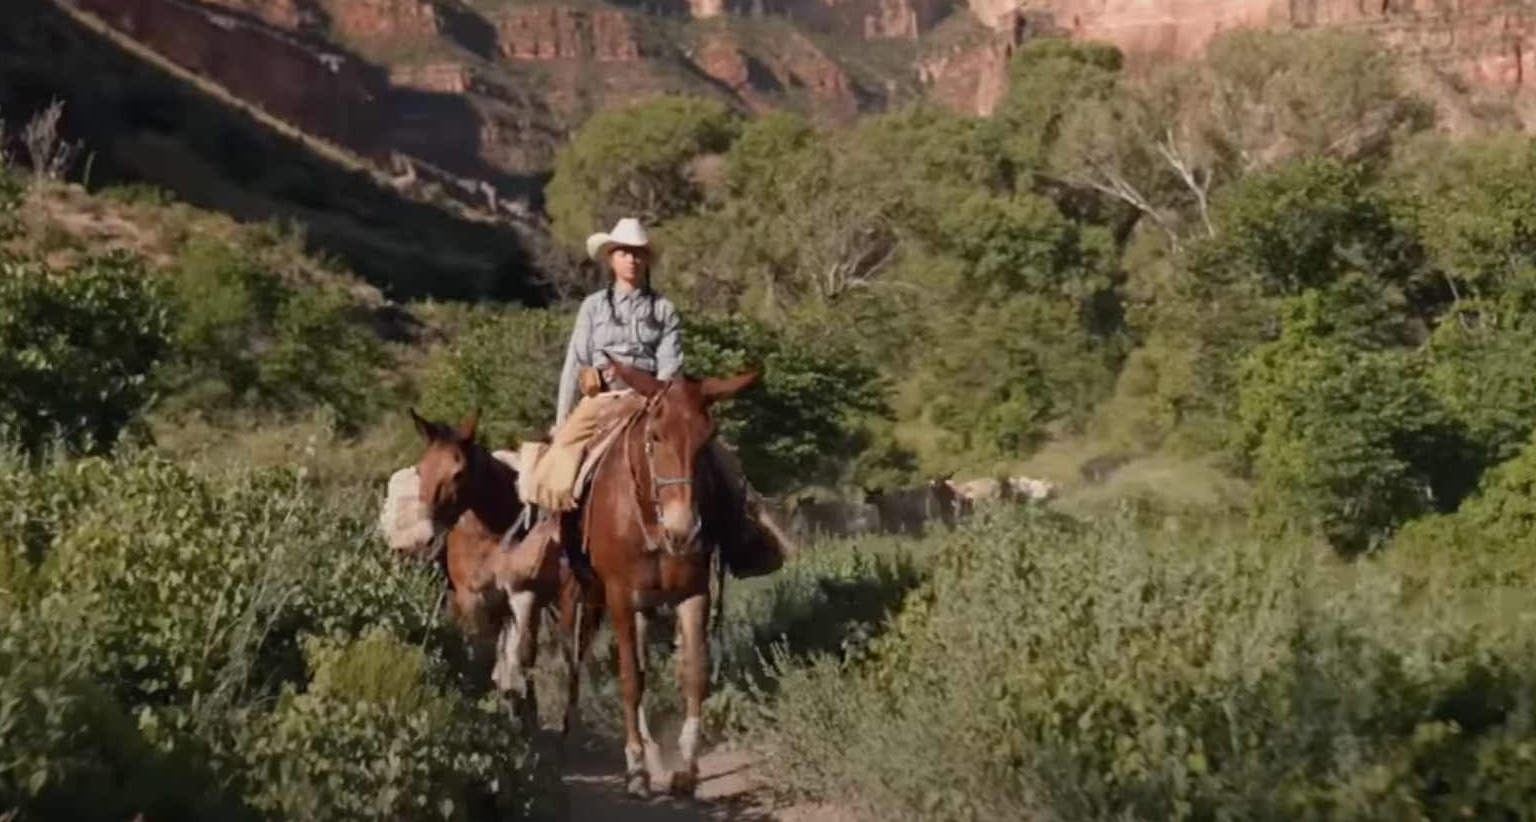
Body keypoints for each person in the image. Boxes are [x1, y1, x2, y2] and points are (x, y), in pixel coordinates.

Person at [524, 217, 794, 579]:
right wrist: (562, 418)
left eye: (637, 254)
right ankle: (552, 547)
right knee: (555, 464)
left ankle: (738, 541)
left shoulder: (663, 309)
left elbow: (670, 366)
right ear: (611, 258)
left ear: (645, 260)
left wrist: (666, 402)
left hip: (651, 399)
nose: (631, 260)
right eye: (623, 253)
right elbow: (576, 359)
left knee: (718, 458)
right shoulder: (592, 307)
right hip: (602, 399)